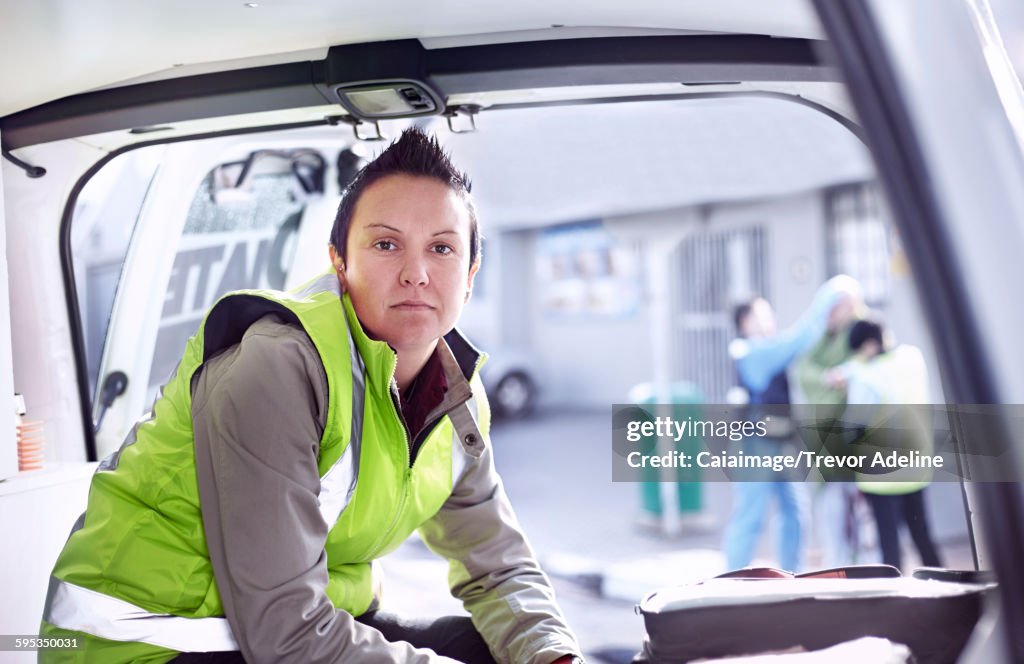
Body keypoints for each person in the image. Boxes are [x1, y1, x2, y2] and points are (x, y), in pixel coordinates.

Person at [40, 129, 583, 664]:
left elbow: (498, 568)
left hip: (279, 627)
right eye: (386, 244)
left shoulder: (456, 399)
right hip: (144, 642)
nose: (416, 273)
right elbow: (286, 636)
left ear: (469, 275)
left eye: (441, 248)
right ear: (339, 263)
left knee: (492, 649)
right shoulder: (278, 364)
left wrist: (555, 656)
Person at [722, 276, 856, 572]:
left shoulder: (765, 349)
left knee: (795, 511)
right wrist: (831, 294)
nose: (769, 318)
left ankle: (790, 575)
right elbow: (799, 340)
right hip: (754, 443)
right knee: (751, 515)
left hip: (781, 439)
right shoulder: (751, 351)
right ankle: (729, 579)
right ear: (745, 322)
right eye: (762, 313)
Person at [832, 318, 943, 571]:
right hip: (916, 468)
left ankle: (894, 598)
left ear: (869, 346)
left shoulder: (867, 377)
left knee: (889, 546)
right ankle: (947, 588)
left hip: (882, 477)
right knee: (923, 536)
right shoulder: (913, 359)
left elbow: (853, 428)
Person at [794, 280, 868, 568]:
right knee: (831, 503)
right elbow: (804, 371)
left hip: (853, 437)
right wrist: (830, 380)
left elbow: (855, 377)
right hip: (825, 439)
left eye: (840, 306)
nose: (834, 313)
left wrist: (833, 381)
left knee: (856, 504)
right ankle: (837, 562)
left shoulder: (860, 330)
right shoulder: (820, 334)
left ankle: (855, 562)